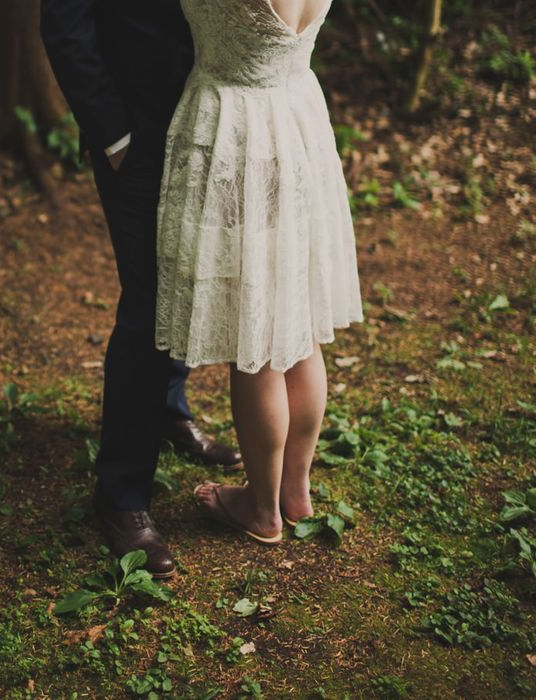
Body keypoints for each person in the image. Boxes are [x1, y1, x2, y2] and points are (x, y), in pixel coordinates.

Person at [40, 0, 244, 579]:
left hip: (211, 120)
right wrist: (112, 133)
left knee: (189, 275)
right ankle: (122, 494)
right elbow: (64, 22)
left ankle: (167, 408)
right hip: (135, 132)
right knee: (150, 299)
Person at [155, 0, 365, 544]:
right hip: (297, 124)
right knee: (296, 325)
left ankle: (262, 508)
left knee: (254, 327)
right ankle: (296, 490)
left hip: (235, 132)